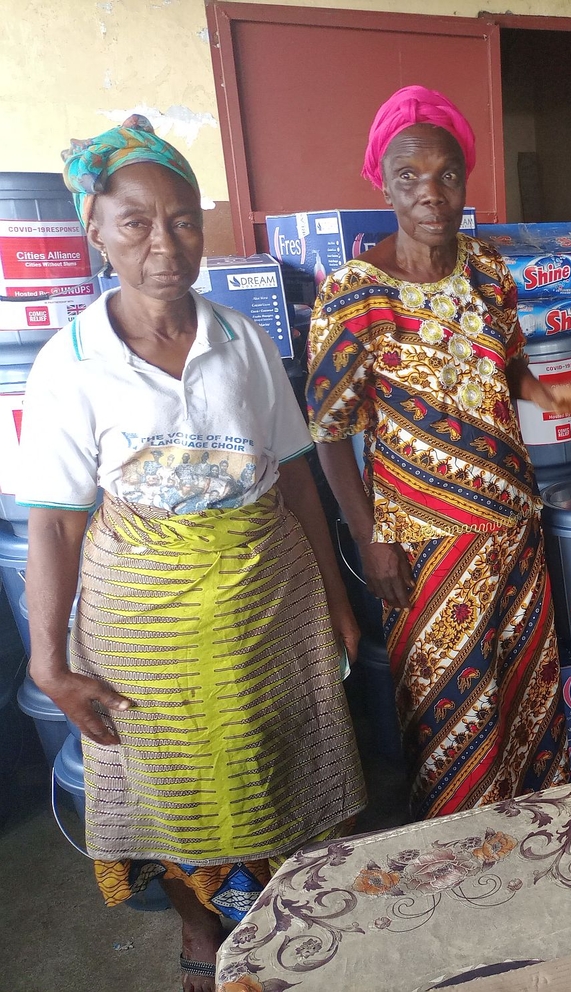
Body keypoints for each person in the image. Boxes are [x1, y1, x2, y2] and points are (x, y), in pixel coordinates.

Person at [19, 117, 367, 992]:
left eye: (182, 219)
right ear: (95, 230)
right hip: (144, 620)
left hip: (267, 602)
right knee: (169, 782)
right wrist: (48, 661)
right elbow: (56, 525)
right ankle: (200, 934)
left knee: (276, 753)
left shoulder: (243, 342)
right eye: (135, 221)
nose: (164, 244)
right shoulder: (71, 365)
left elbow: (295, 485)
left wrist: (335, 596)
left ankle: (283, 913)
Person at [307, 86, 571, 820]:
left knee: (525, 686)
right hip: (425, 543)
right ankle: (460, 851)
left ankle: (529, 833)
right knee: (450, 703)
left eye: (448, 174)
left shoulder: (487, 271)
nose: (431, 194)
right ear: (382, 183)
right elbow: (328, 435)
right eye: (411, 177)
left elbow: (508, 371)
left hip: (513, 523)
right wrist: (370, 539)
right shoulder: (355, 295)